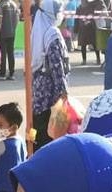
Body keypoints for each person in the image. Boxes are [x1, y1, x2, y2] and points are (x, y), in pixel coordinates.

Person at [30, 0, 71, 149]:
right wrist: (63, 93)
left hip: (38, 94)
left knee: (37, 133)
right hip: (51, 97)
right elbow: (57, 66)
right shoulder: (52, 33)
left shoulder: (38, 31)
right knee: (50, 137)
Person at [0, 0, 20, 79]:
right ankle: (11, 74)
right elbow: (17, 19)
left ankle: (2, 74)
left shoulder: (1, 5)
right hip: (12, 32)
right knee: (11, 53)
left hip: (3, 32)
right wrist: (13, 28)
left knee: (3, 53)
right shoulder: (14, 5)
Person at [76, 0, 106, 65]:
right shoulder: (79, 8)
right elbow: (77, 19)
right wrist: (76, 29)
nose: (82, 2)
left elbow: (100, 6)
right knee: (83, 45)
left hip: (91, 28)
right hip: (82, 29)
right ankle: (84, 60)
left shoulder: (91, 6)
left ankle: (98, 59)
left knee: (94, 44)